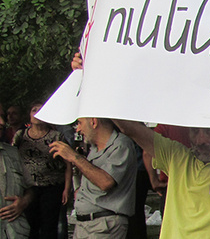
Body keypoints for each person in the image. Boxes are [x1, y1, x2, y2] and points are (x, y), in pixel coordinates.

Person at [112, 119, 210, 238]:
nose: (201, 140)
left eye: (209, 131)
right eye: (195, 131)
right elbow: (127, 127)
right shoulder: (176, 157)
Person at [49, 118, 137, 238]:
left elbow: (105, 182)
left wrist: (75, 157)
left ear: (93, 122)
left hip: (105, 225)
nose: (78, 129)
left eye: (80, 123)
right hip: (84, 224)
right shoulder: (94, 148)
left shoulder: (121, 145)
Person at [12, 102, 72, 239]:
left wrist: (67, 189)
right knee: (29, 227)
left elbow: (68, 163)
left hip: (52, 187)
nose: (37, 113)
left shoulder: (56, 136)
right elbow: (12, 158)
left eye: (41, 110)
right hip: (28, 188)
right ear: (29, 115)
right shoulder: (20, 136)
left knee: (49, 228)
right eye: (34, 110)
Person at [0, 141, 35, 239]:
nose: (2, 124)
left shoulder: (13, 153)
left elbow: (31, 188)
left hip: (14, 231)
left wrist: (24, 201)